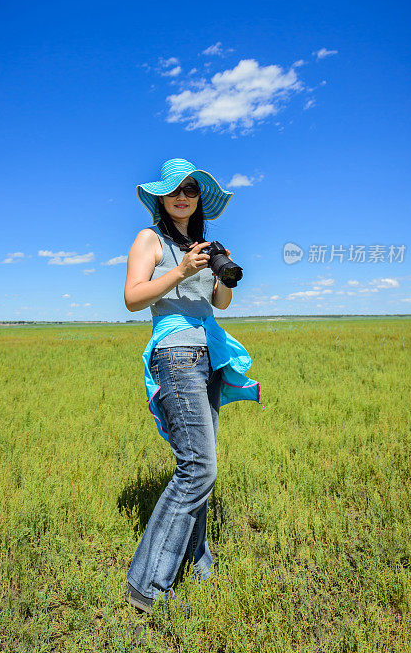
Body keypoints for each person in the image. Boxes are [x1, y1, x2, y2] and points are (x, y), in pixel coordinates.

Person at [123, 158, 260, 615]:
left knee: (203, 465)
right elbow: (132, 298)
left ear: (200, 199)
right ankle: (148, 585)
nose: (183, 195)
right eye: (174, 189)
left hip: (209, 354)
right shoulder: (150, 240)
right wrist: (180, 271)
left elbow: (219, 302)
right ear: (161, 197)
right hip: (176, 351)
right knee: (198, 467)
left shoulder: (202, 245)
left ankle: (197, 562)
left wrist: (222, 273)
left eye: (192, 189)